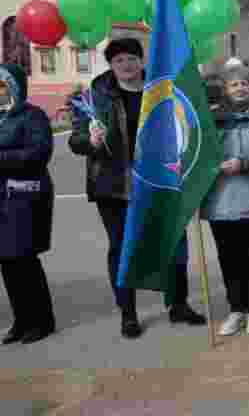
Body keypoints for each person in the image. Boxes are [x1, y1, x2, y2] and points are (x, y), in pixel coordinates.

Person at [68, 38, 206, 339]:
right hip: (114, 186)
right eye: (119, 60)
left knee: (171, 245)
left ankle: (178, 304)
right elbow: (75, 140)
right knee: (122, 250)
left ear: (142, 60)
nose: (126, 65)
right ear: (111, 64)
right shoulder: (97, 95)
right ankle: (128, 314)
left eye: (132, 58)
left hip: (160, 182)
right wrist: (89, 142)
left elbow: (185, 127)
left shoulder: (162, 90)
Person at [200, 63, 249, 337]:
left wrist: (244, 163)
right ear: (225, 89)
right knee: (228, 258)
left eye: (245, 83)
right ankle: (236, 310)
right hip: (218, 201)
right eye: (234, 84)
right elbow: (198, 150)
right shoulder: (211, 118)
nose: (240, 88)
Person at [0, 63, 56, 345]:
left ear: (15, 86)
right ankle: (21, 320)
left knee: (24, 260)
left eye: (3, 85)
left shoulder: (32, 116)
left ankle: (42, 321)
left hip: (24, 197)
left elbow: (38, 152)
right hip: (1, 199)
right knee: (7, 263)